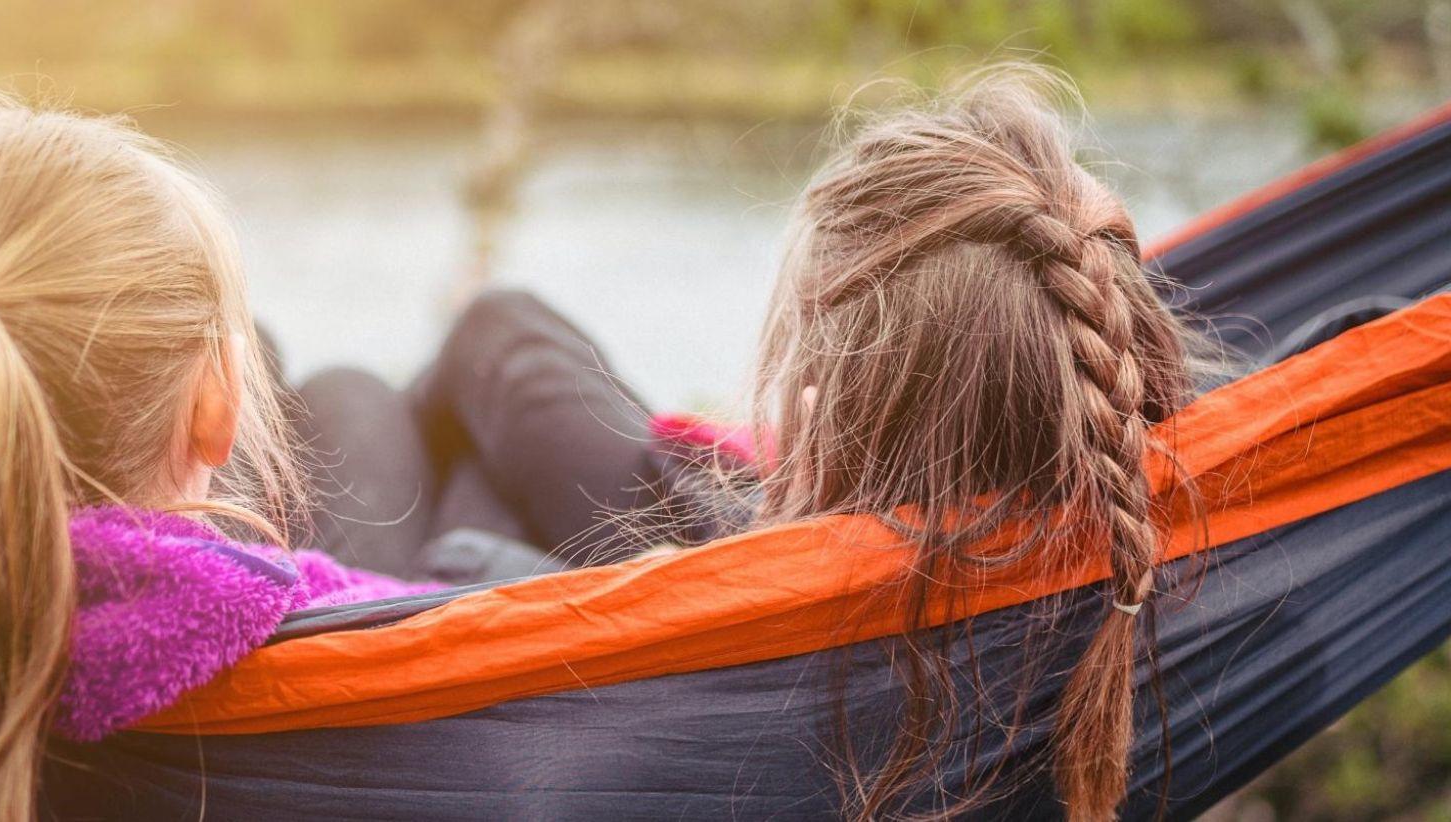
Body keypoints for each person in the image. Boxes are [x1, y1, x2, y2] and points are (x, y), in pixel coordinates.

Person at [307, 65, 1203, 818]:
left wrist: (511, 563)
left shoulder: (743, 702)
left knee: (361, 401)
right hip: (781, 555)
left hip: (679, 621)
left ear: (813, 417)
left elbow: (469, 564)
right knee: (490, 341)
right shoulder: (1175, 539)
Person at [0, 92, 434, 822]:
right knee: (419, 367)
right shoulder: (324, 629)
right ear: (217, 412)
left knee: (320, 375)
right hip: (428, 606)